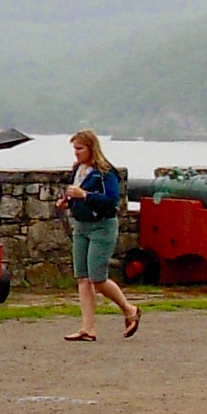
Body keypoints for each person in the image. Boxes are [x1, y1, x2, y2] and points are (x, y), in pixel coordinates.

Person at [61, 129, 140, 341]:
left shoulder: (105, 171)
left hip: (102, 226)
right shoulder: (77, 170)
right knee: (83, 277)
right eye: (74, 148)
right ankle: (88, 328)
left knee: (97, 278)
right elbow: (74, 193)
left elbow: (111, 200)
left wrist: (85, 195)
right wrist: (67, 200)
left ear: (91, 148)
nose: (76, 153)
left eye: (80, 148)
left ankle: (129, 309)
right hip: (81, 225)